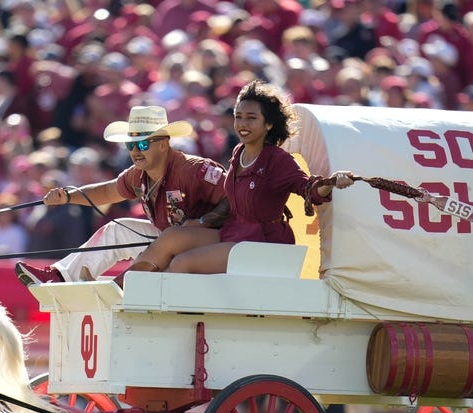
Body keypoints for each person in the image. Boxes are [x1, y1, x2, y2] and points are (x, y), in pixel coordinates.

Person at [121, 80, 353, 276]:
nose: (242, 124)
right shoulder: (238, 153)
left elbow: (308, 189)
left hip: (262, 243)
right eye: (238, 116)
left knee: (183, 262)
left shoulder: (277, 160)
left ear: (269, 124)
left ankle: (152, 301)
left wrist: (331, 183)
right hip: (235, 233)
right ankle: (121, 287)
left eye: (251, 118)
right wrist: (202, 222)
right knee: (172, 237)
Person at [14, 105, 227, 286]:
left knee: (167, 239)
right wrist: (68, 196)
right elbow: (107, 191)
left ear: (163, 144)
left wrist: (202, 222)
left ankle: (117, 288)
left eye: (143, 144)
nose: (135, 151)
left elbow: (232, 200)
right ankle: (60, 276)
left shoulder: (195, 170)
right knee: (116, 230)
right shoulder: (138, 174)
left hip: (208, 248)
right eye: (130, 144)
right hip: (168, 244)